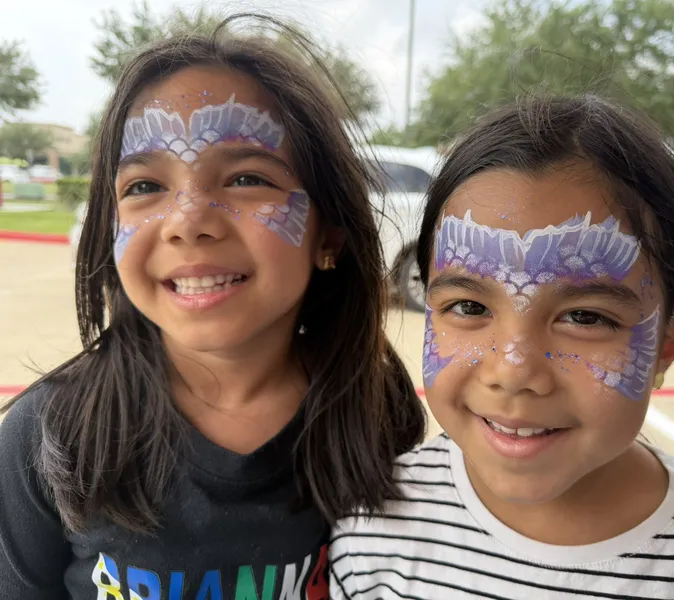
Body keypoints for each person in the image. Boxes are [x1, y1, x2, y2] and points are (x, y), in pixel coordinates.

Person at [0, 16, 425, 600]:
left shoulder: (378, 414)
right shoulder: (48, 435)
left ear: (328, 234)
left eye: (247, 177)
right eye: (145, 187)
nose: (188, 222)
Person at [329, 95, 674, 599]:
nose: (512, 372)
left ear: (665, 343)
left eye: (584, 317)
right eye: (469, 308)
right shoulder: (372, 531)